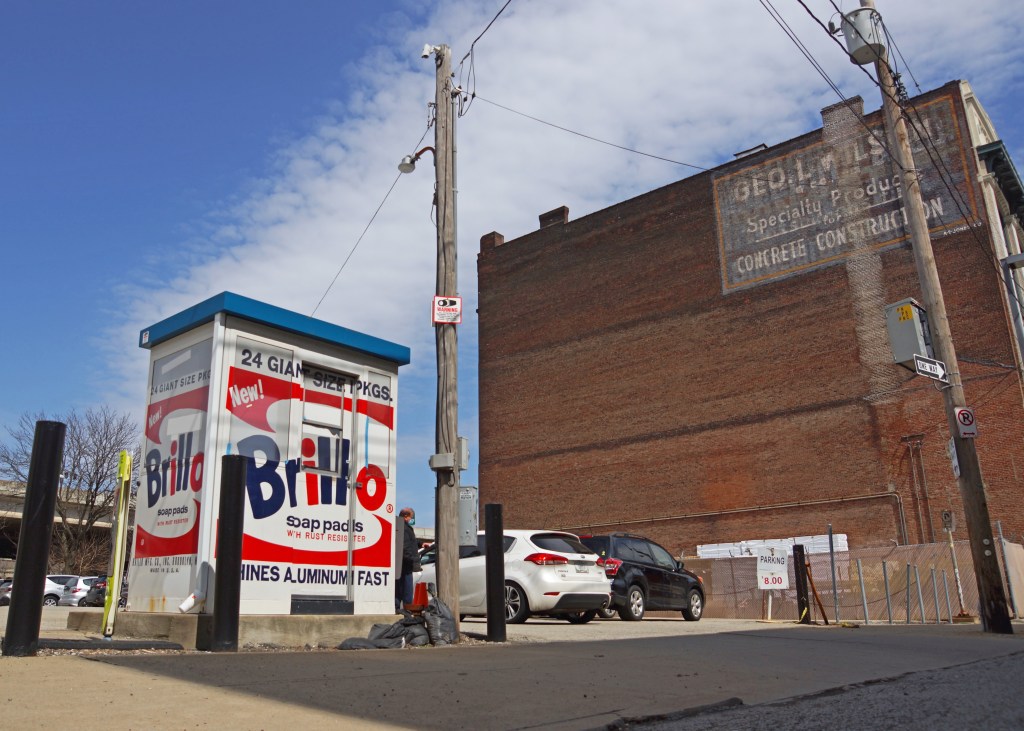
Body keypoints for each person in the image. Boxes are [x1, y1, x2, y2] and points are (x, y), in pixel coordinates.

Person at [396, 507, 420, 611]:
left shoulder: (399, 526)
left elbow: (409, 542)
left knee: (398, 591)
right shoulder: (404, 528)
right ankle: (406, 614)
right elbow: (405, 547)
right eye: (411, 517)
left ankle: (397, 610)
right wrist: (412, 560)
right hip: (405, 566)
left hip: (400, 565)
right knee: (407, 593)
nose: (411, 520)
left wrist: (421, 544)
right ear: (406, 516)